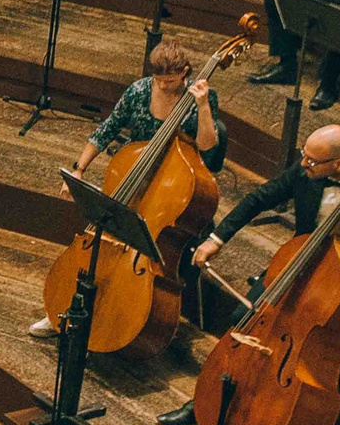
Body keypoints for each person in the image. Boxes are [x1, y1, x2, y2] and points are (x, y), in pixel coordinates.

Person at [156, 122, 340, 425]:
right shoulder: (309, 170)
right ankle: (205, 401)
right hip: (304, 264)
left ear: (339, 164)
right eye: (304, 155)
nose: (303, 164)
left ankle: (326, 410)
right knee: (245, 316)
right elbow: (259, 198)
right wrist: (217, 239)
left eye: (311, 160)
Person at [30, 39, 222, 338]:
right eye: (158, 80)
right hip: (131, 180)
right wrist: (79, 169)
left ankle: (137, 324)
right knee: (98, 248)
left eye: (170, 81)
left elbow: (208, 144)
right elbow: (107, 129)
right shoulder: (139, 90)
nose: (163, 86)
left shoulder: (201, 96)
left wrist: (203, 105)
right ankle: (64, 312)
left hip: (171, 191)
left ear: (185, 72)